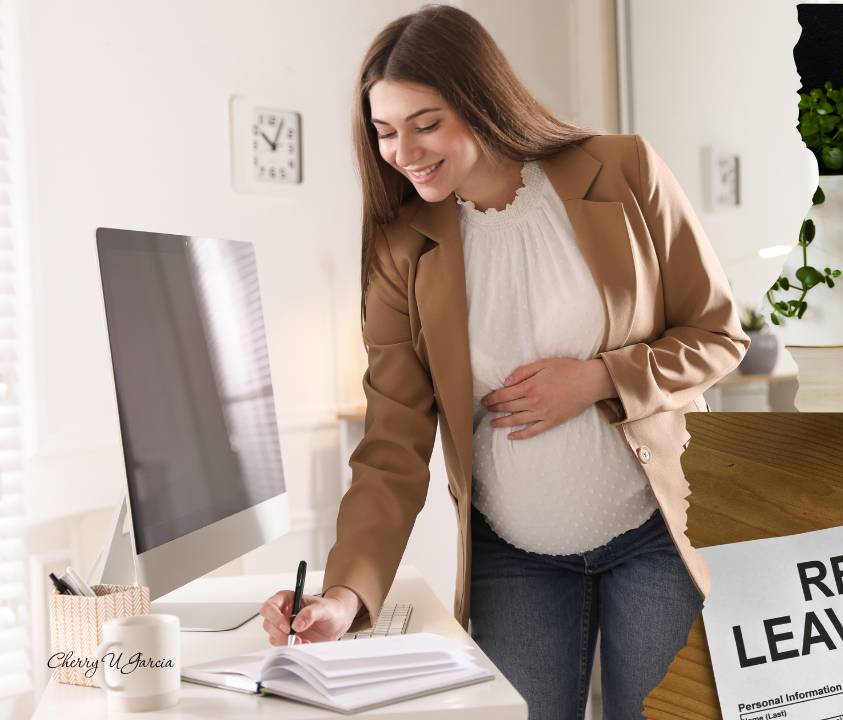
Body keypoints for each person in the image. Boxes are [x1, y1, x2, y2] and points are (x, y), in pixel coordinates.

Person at [257, 5, 747, 718]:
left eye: (426, 123)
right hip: (514, 561)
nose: (404, 151)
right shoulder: (402, 253)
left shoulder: (622, 170)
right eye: (386, 132)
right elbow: (392, 445)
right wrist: (344, 594)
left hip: (656, 538)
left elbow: (717, 334)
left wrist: (599, 378)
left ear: (483, 102)